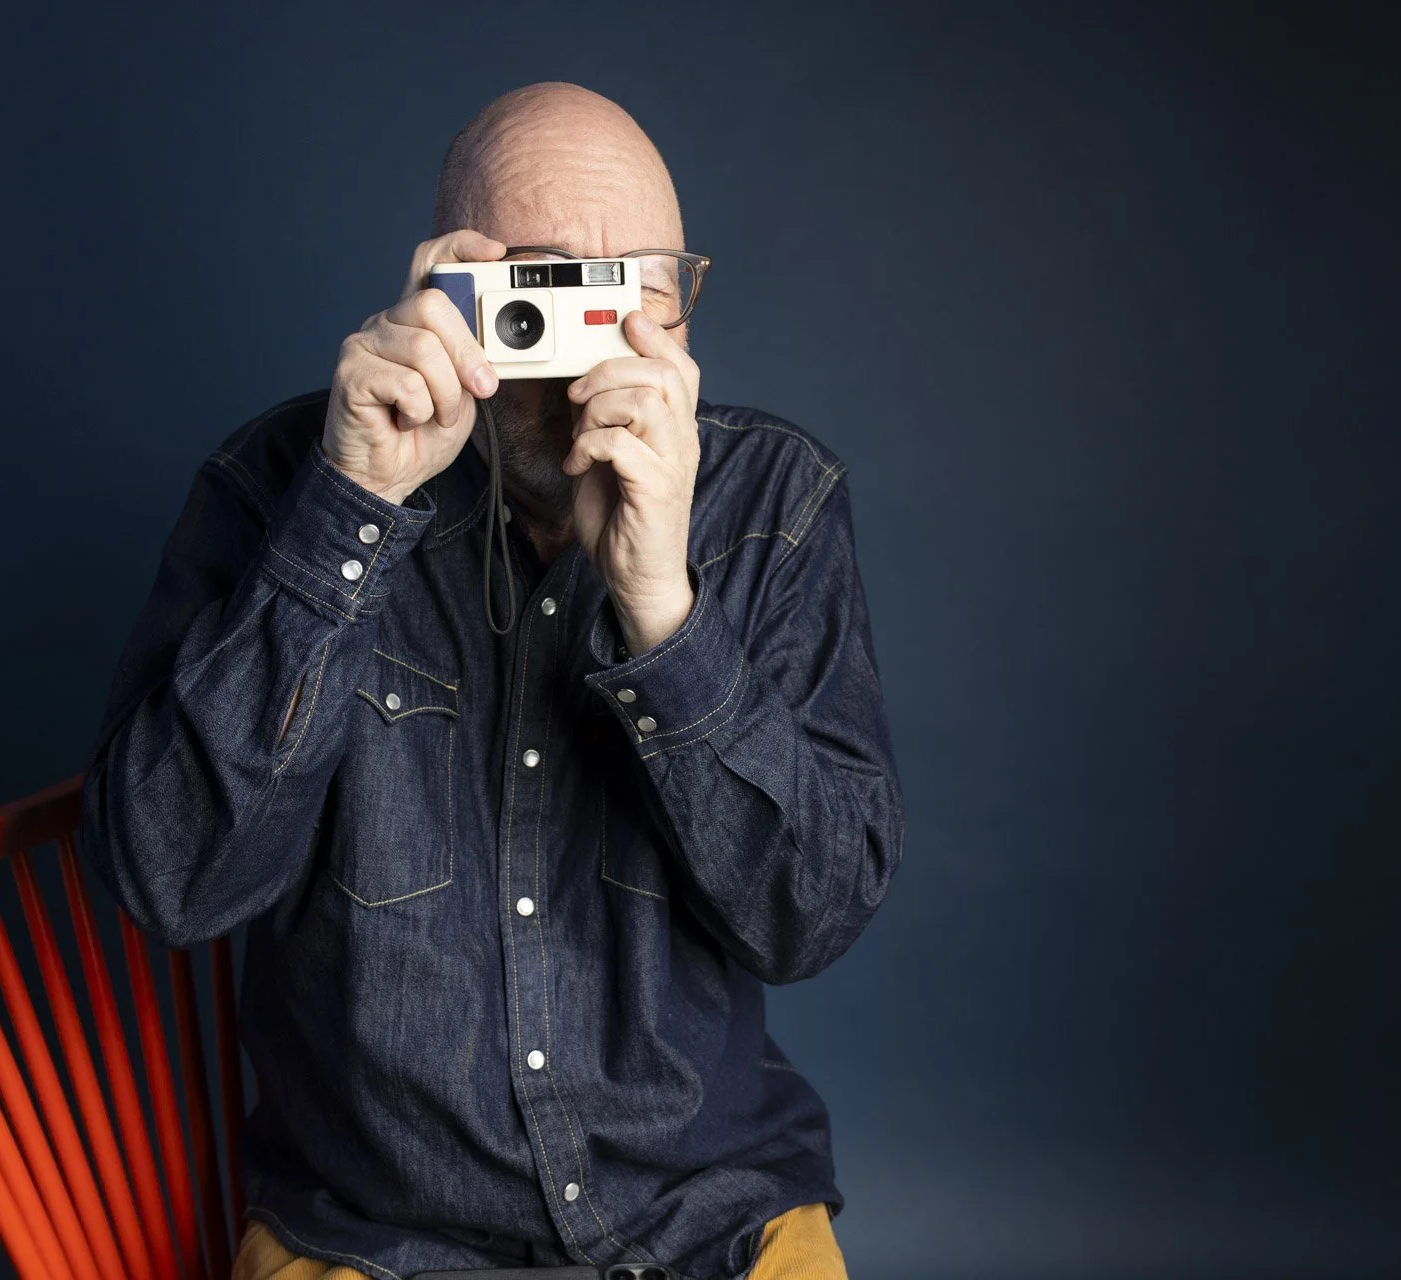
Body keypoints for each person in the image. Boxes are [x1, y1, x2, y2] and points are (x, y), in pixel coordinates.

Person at [82, 81, 905, 1280]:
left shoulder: (773, 504)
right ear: (445, 289)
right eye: (546, 288)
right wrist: (351, 512)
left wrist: (665, 610)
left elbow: (810, 914)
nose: (594, 346)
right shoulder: (286, 485)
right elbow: (168, 879)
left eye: (640, 289)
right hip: (381, 1236)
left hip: (709, 1218)